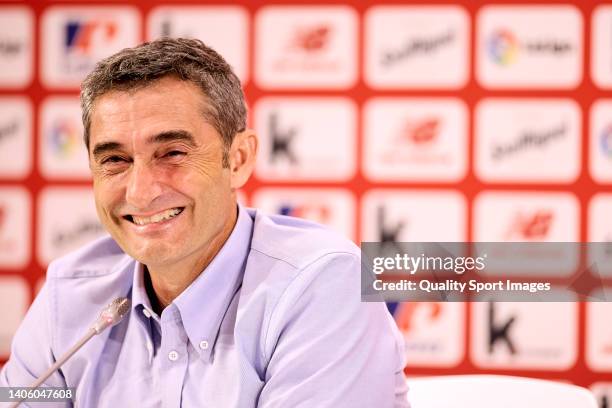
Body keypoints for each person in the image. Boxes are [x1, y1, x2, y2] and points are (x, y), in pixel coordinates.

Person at [0, 38, 408, 407]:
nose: (140, 192)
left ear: (239, 160)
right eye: (115, 160)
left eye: (172, 153)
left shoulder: (325, 284)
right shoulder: (68, 295)